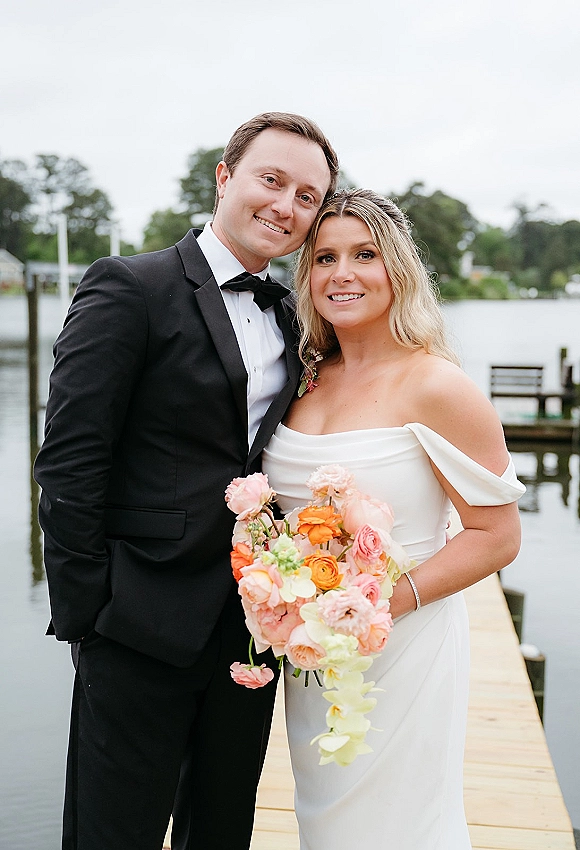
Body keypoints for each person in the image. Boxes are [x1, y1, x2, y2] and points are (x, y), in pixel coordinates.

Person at [33, 112, 339, 850]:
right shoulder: (129, 286)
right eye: (272, 180)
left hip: (249, 632)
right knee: (114, 834)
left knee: (223, 829)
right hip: (135, 622)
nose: (286, 205)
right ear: (224, 177)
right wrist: (88, 618)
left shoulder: (299, 317)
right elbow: (71, 461)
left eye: (307, 196)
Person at [262, 189, 525, 849]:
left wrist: (381, 606)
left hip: (403, 642)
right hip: (316, 649)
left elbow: (497, 537)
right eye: (324, 257)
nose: (341, 273)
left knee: (399, 825)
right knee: (326, 819)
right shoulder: (304, 378)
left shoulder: (437, 385)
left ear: (397, 270)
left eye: (364, 254)